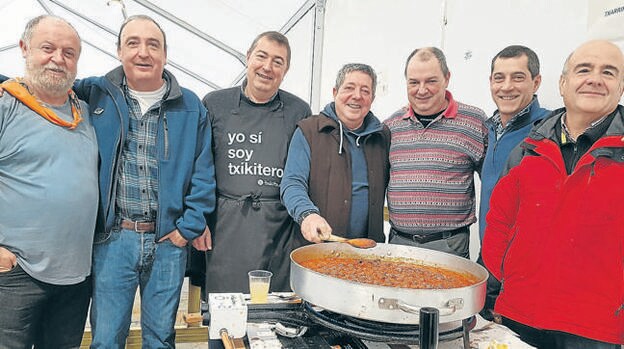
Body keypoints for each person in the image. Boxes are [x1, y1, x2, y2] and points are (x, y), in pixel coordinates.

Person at [72, 15, 216, 347]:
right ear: (120, 50)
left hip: (167, 241)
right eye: (133, 43)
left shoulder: (190, 105)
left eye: (153, 44)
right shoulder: (96, 94)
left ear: (165, 54)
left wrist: (187, 229)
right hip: (113, 241)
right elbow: (45, 85)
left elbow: (203, 172)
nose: (143, 52)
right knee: (107, 338)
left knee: (160, 337)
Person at [482, 40, 624, 348]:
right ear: (563, 83)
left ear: (620, 87)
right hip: (519, 318)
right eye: (583, 69)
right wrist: (501, 286)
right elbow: (499, 224)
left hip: (594, 330)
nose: (595, 79)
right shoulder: (528, 150)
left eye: (608, 72)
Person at [0, 15, 98, 348]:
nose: (59, 58)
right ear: (24, 48)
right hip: (15, 273)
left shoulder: (84, 113)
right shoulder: (5, 105)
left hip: (75, 277)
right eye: (48, 48)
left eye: (69, 52)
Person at [200, 31, 311, 293]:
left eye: (278, 61)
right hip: (226, 226)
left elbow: (301, 174)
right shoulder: (215, 104)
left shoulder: (299, 111)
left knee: (272, 316)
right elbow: (199, 165)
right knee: (226, 314)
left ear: (286, 70)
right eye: (262, 56)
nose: (267, 67)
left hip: (278, 231)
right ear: (248, 57)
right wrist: (198, 219)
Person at [384, 47, 488, 258]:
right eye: (414, 82)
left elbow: (493, 183)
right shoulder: (391, 126)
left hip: (449, 245)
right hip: (398, 245)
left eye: (431, 81)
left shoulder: (475, 122)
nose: (421, 90)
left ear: (447, 78)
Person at [477, 45, 550, 320]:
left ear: (537, 81)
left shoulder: (548, 131)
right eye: (499, 78)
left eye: (518, 77)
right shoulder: (489, 128)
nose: (506, 87)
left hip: (525, 275)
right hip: (489, 262)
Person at [280, 63, 389, 244]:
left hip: (369, 253)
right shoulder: (309, 131)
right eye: (349, 88)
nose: (357, 96)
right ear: (335, 92)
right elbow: (292, 183)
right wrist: (307, 215)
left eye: (365, 91)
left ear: (373, 98)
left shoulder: (383, 137)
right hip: (316, 250)